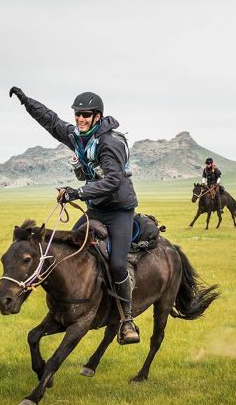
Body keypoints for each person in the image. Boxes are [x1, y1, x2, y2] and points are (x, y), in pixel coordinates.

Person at [9, 86, 140, 345]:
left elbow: (114, 181)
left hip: (119, 212)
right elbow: (51, 121)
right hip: (95, 210)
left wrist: (76, 192)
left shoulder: (109, 143)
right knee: (70, 248)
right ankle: (75, 304)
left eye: (86, 115)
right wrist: (26, 101)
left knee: (116, 264)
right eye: (78, 114)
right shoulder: (79, 137)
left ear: (97, 117)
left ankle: (126, 320)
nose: (80, 119)